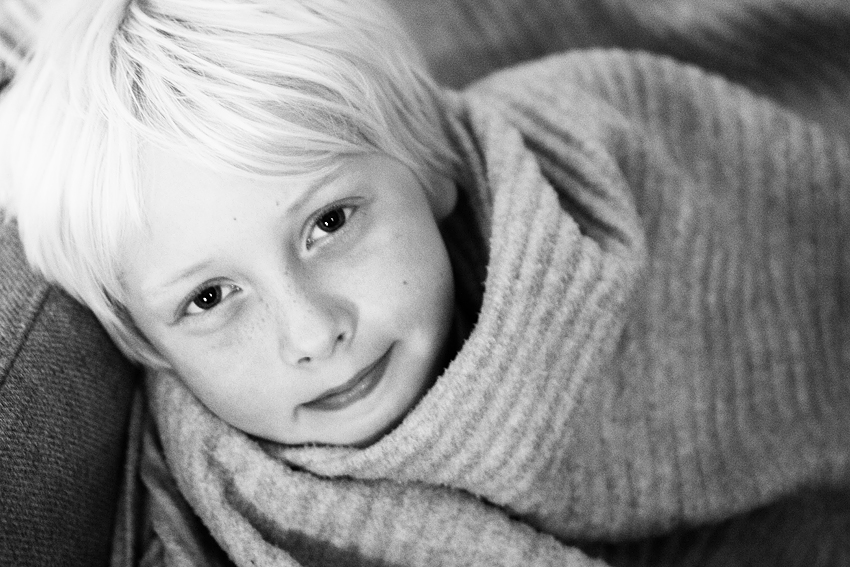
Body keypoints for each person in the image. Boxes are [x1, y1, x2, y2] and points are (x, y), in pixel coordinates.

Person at [2, 0, 850, 565]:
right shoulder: (230, 516)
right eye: (210, 298)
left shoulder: (602, 157)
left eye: (329, 222)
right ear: (146, 342)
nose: (312, 332)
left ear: (430, 164)